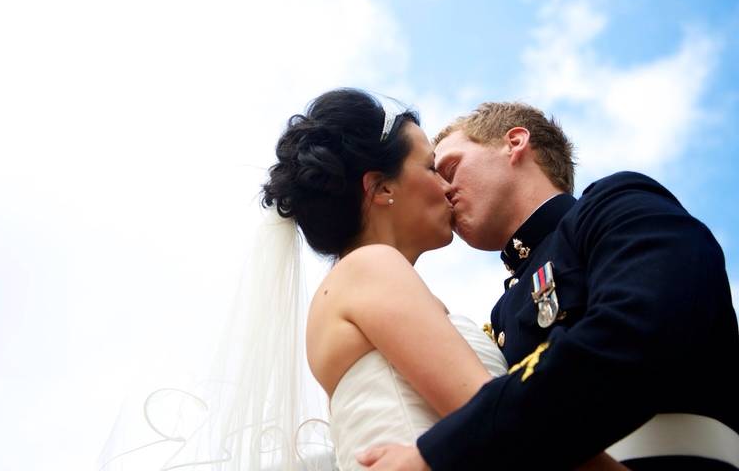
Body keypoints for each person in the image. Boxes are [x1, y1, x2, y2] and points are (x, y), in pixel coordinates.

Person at [357, 102, 739, 471]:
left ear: (515, 142)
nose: (441, 189)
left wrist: (440, 451)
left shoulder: (614, 205)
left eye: (451, 168)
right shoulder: (503, 310)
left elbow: (645, 326)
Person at [260, 89, 625, 471]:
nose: (448, 187)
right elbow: (489, 415)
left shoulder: (360, 279)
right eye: (432, 168)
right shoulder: (371, 267)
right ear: (382, 188)